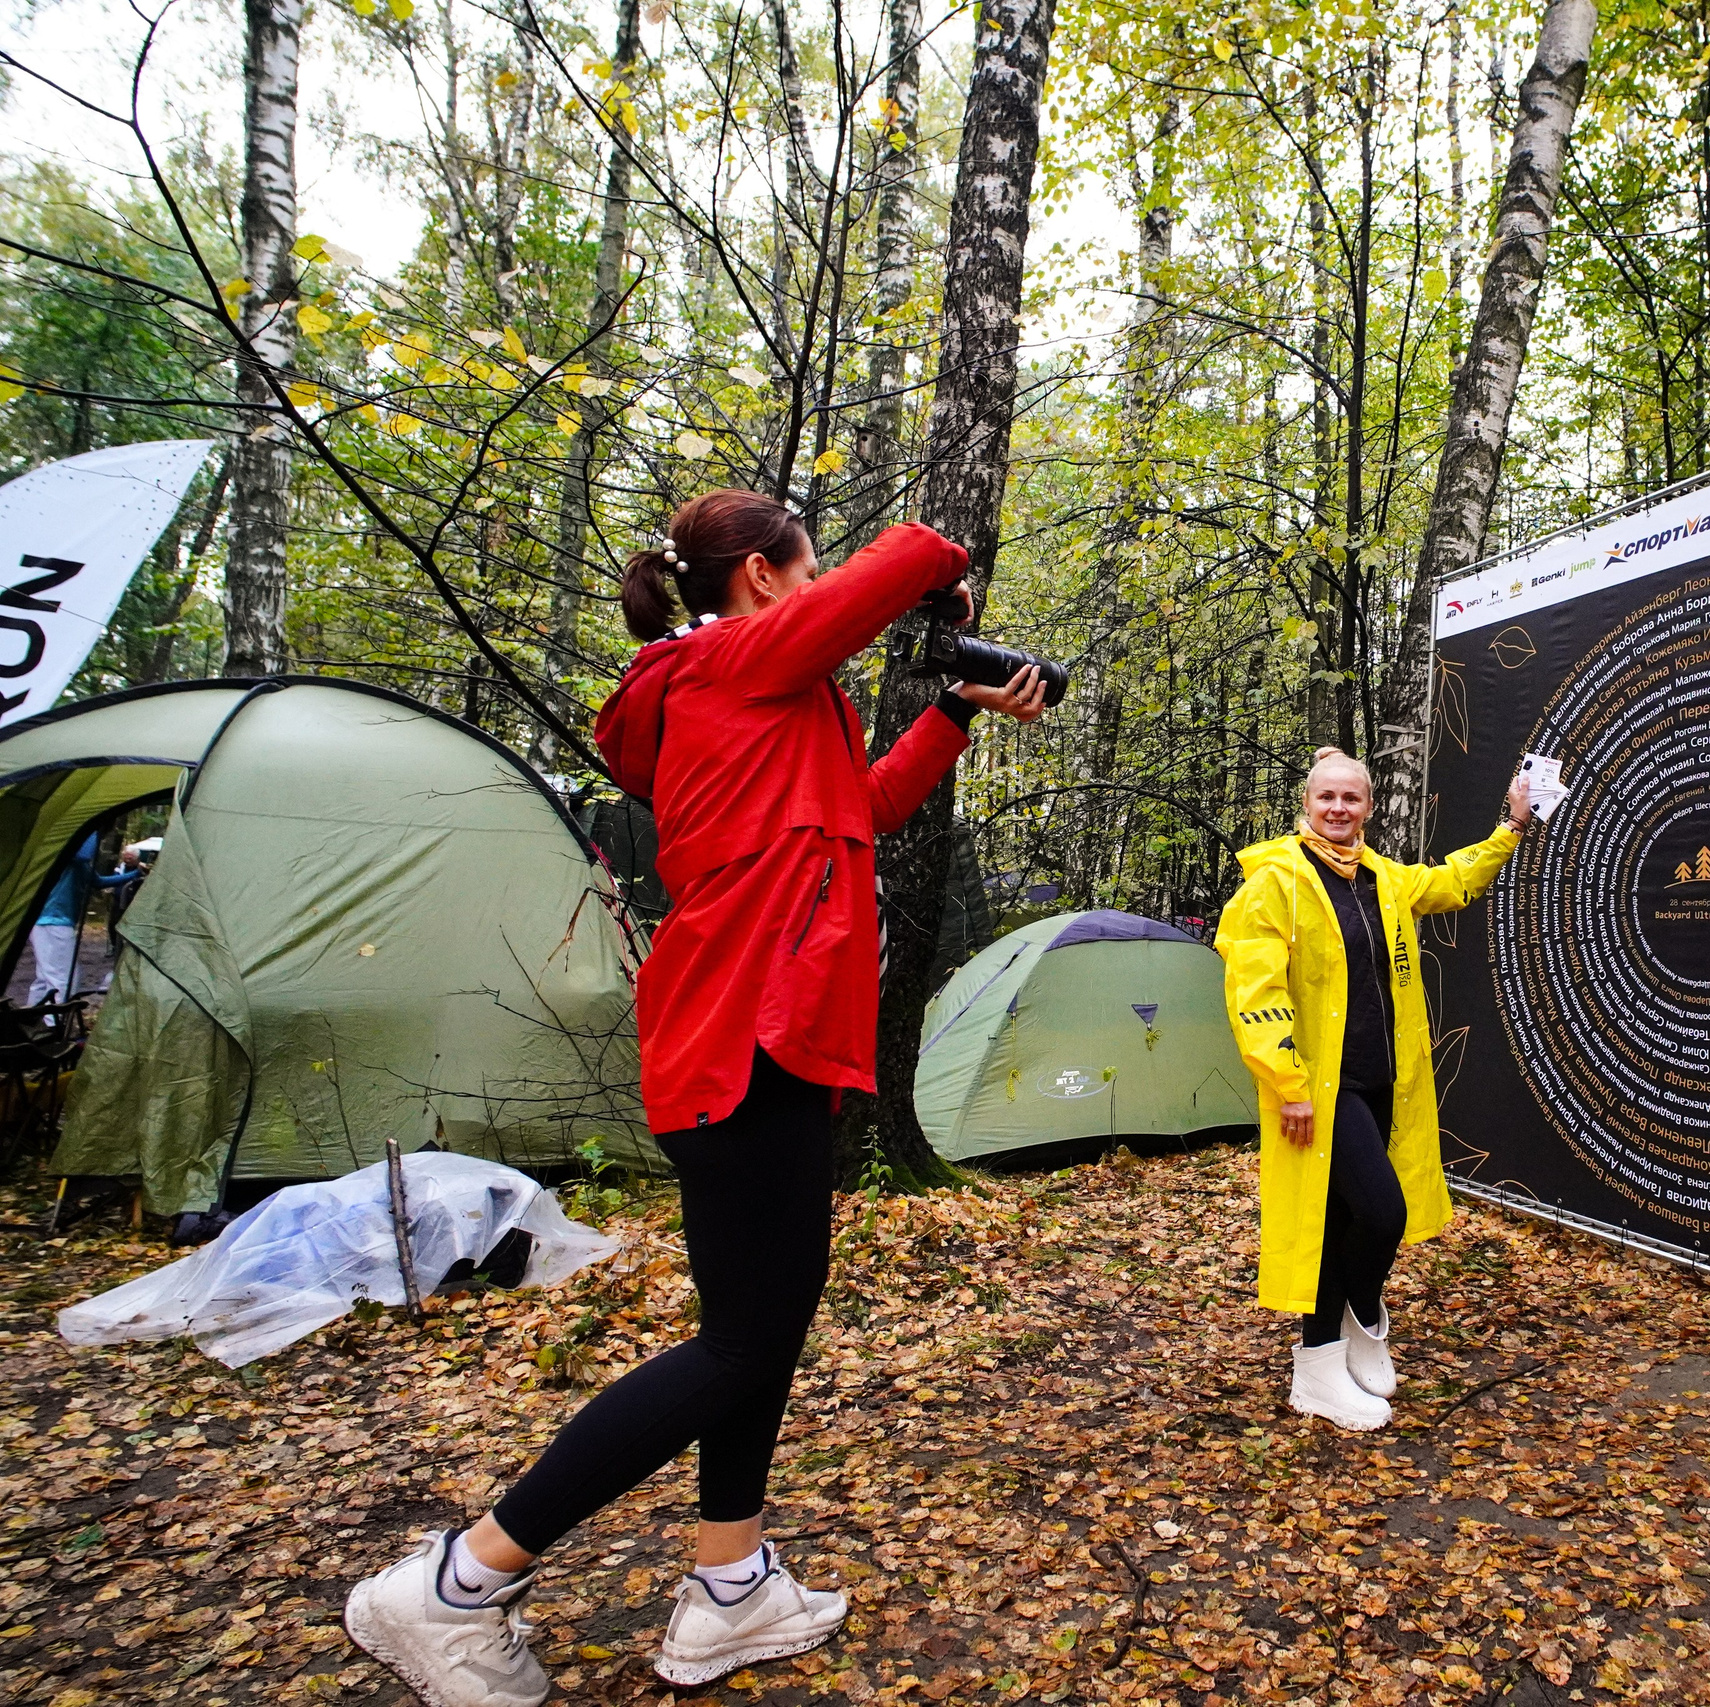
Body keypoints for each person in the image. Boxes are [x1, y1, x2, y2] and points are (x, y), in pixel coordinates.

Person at [343, 491, 1050, 1707]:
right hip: (747, 1036)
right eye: (809, 568)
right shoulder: (727, 662)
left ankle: (728, 1584)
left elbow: (863, 813)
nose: (822, 586)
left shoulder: (762, 697)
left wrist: (948, 710)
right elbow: (882, 579)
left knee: (760, 1329)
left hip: (761, 1035)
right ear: (768, 582)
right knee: (740, 1343)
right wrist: (939, 570)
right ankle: (459, 1582)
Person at [1215, 747, 1537, 1430]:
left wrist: (1511, 827)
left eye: (1350, 799)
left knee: (1347, 1221)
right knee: (1381, 1213)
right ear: (1307, 804)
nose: (1338, 809)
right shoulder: (1277, 883)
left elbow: (1453, 881)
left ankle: (1324, 1360)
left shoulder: (1383, 878)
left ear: (1366, 807)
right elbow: (1254, 990)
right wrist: (1287, 1083)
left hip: (1385, 1080)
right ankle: (1356, 1322)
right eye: (1326, 797)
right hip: (1321, 1091)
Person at [24, 833, 140, 1013]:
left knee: (45, 978)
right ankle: (54, 1025)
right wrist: (95, 827)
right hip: (53, 921)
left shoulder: (81, 865)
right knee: (65, 978)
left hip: (50, 922)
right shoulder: (69, 855)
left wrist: (136, 874)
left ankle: (30, 1019)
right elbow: (84, 853)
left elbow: (99, 882)